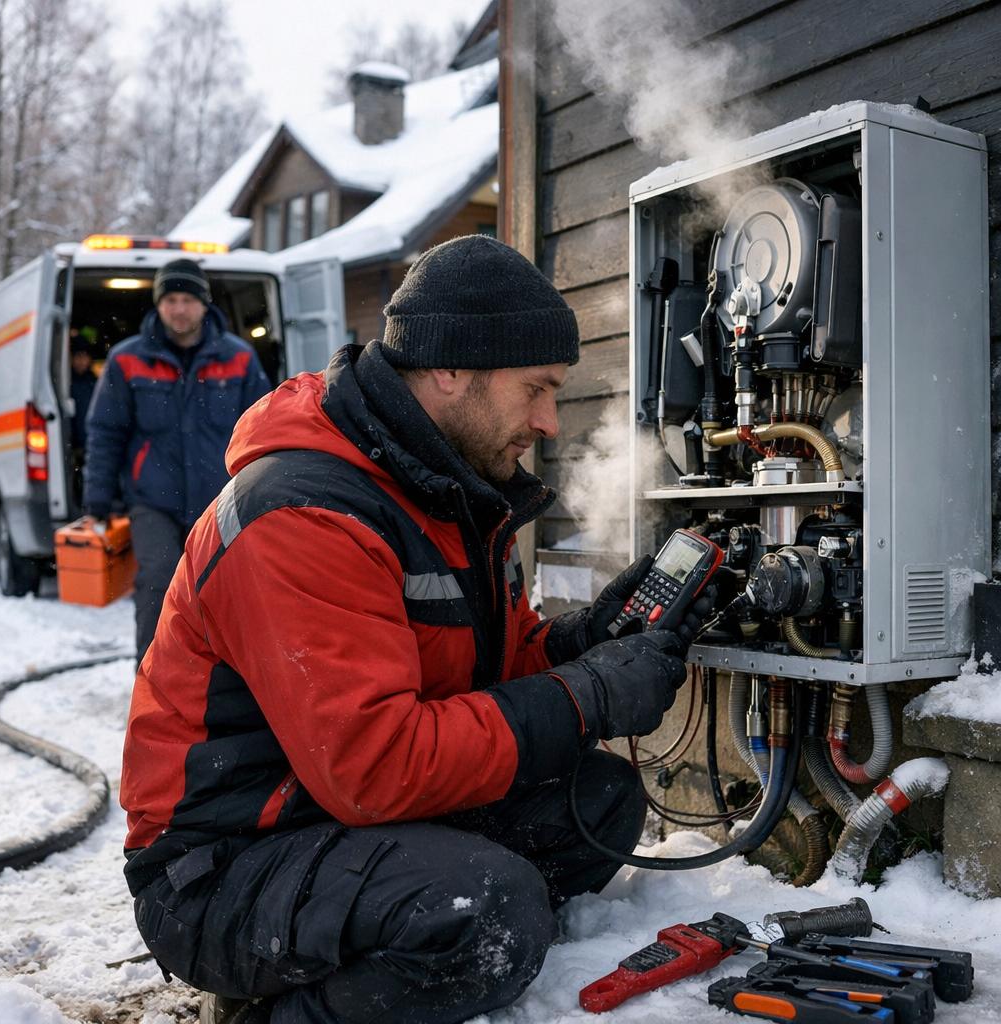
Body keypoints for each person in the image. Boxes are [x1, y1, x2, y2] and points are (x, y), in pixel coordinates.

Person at [120, 236, 713, 1024]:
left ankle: (384, 951)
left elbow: (483, 673)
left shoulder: (442, 488)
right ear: (450, 370)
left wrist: (580, 645)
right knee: (486, 910)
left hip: (328, 818)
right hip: (219, 867)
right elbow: (373, 765)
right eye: (536, 389)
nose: (546, 421)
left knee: (597, 805)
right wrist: (584, 698)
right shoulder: (301, 512)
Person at [83, 258, 271, 664]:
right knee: (157, 584)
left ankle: (228, 688)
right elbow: (105, 432)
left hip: (221, 499)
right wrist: (97, 500)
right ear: (158, 305)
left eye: (187, 299)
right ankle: (151, 683)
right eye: (170, 299)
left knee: (227, 587)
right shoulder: (127, 359)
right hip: (153, 501)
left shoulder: (239, 358)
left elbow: (265, 428)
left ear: (204, 304)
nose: (179, 308)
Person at [68, 332, 98, 506]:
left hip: (90, 443)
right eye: (77, 357)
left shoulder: (95, 383)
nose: (81, 361)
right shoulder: (68, 384)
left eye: (84, 357)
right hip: (76, 444)